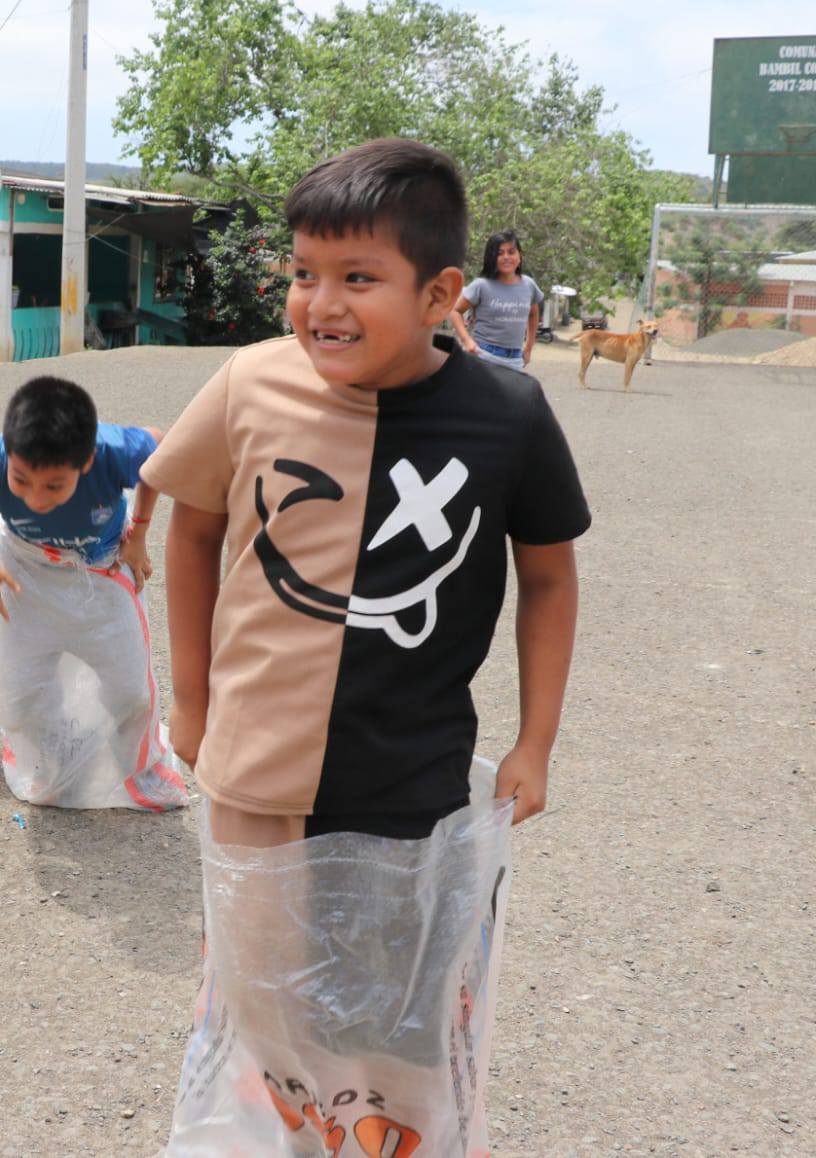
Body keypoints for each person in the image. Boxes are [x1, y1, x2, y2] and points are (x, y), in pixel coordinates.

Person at [142, 139, 587, 1147]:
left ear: (439, 294)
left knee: (393, 1022)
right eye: (304, 273)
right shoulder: (250, 382)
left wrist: (536, 743)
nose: (320, 304)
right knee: (262, 1006)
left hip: (409, 783)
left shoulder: (507, 413)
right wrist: (192, 702)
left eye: (357, 278)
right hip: (257, 770)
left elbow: (550, 577)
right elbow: (193, 531)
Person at [0, 376, 188, 811]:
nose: (36, 498)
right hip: (23, 573)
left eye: (54, 486)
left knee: (130, 690)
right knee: (22, 694)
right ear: (8, 455)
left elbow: (159, 447)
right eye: (21, 481)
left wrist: (139, 532)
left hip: (101, 572)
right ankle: (46, 765)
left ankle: (141, 770)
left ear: (86, 462)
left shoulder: (113, 452)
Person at [449, 228, 545, 370]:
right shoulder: (481, 285)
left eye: (511, 252)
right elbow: (455, 311)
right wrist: (467, 341)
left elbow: (533, 314)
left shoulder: (529, 285)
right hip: (484, 356)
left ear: (520, 256)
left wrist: (529, 348)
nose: (506, 257)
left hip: (515, 360)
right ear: (491, 258)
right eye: (500, 253)